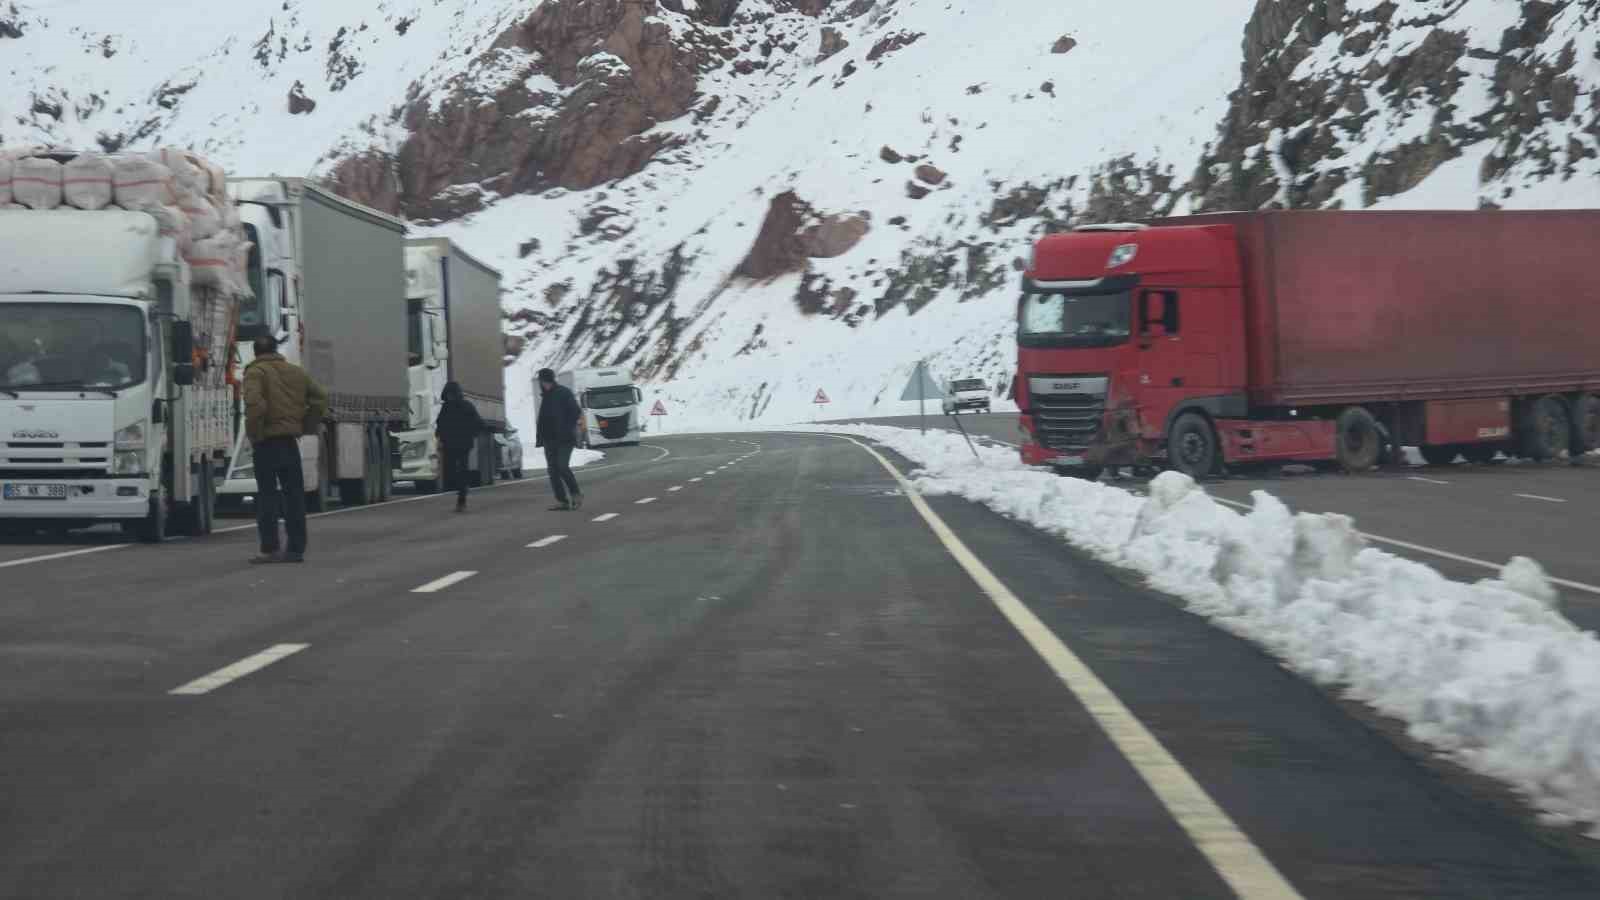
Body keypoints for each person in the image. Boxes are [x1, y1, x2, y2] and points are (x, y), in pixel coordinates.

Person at [242, 334, 328, 564]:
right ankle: (296, 549)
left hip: (266, 443)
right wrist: (306, 425)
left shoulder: (255, 373)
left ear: (255, 352)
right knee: (294, 497)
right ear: (275, 349)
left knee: (268, 497)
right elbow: (320, 398)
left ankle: (269, 548)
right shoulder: (296, 372)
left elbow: (255, 405)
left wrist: (254, 434)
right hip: (290, 442)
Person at [535, 367, 583, 511]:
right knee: (553, 471)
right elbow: (543, 420)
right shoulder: (546, 396)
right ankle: (562, 501)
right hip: (549, 439)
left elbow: (576, 411)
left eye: (543, 380)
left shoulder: (563, 392)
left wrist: (566, 428)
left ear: (547, 380)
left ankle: (576, 494)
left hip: (564, 438)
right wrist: (541, 437)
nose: (543, 383)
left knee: (562, 466)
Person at [435, 381, 484, 513]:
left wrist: (473, 433)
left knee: (461, 470)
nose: (449, 397)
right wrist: (439, 438)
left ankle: (461, 499)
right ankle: (461, 491)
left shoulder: (465, 406)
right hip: (453, 444)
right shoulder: (448, 407)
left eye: (451, 394)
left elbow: (477, 422)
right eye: (448, 394)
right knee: (452, 471)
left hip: (461, 444)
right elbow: (440, 424)